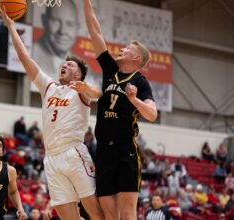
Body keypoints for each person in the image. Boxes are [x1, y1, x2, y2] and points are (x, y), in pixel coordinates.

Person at [0, 5, 104, 220]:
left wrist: (87, 88)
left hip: (74, 152)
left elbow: (99, 93)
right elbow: (25, 58)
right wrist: (11, 26)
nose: (65, 65)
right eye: (64, 64)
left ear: (79, 74)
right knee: (68, 218)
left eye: (71, 65)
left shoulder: (81, 90)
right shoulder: (49, 87)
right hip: (51, 157)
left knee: (96, 213)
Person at [83, 0, 158, 219]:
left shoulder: (141, 82)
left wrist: (135, 100)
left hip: (126, 150)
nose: (121, 49)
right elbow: (95, 31)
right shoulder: (110, 69)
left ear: (136, 58)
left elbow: (152, 114)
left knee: (127, 213)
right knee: (109, 213)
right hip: (104, 149)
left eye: (126, 49)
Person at [32, 0, 79, 80]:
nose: (63, 31)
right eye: (56, 21)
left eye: (69, 24)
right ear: (44, 21)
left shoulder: (83, 68)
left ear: (77, 28)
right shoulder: (31, 54)